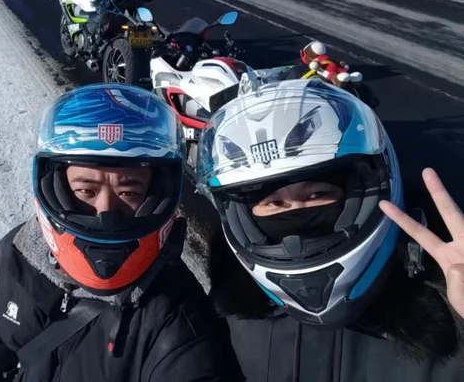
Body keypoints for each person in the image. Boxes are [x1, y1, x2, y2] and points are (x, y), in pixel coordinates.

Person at [0, 83, 241, 382]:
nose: (106, 213)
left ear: (157, 194)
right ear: (56, 187)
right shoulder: (16, 258)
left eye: (128, 192)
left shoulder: (178, 320)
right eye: (85, 191)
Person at [195, 78, 463, 381]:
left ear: (364, 194)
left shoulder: (452, 313)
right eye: (274, 203)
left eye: (316, 194)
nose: (296, 217)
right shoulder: (231, 319)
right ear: (242, 217)